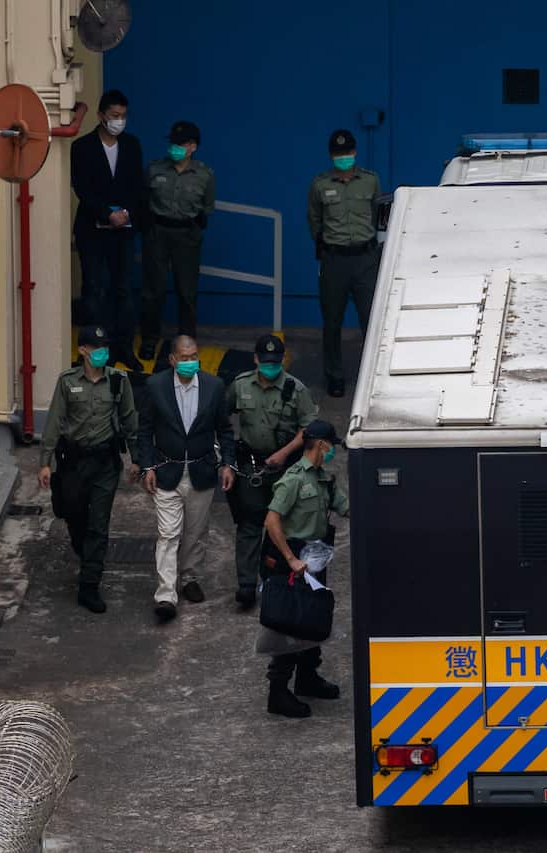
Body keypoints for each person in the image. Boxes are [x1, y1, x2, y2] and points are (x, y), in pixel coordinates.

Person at [38, 325, 140, 613]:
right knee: (73, 515)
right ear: (83, 350)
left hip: (105, 463)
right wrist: (45, 462)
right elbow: (55, 422)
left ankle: (89, 584)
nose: (102, 353)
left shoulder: (119, 381)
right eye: (97, 348)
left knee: (99, 523)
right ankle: (87, 557)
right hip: (73, 462)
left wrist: (137, 459)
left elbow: (130, 420)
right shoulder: (67, 382)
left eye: (105, 348)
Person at [137, 335, 235, 622]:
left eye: (194, 357)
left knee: (196, 531)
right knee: (168, 534)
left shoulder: (214, 387)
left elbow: (225, 430)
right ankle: (166, 594)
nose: (190, 362)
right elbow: (145, 431)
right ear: (172, 360)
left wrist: (227, 464)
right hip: (166, 471)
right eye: (184, 357)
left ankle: (190, 577)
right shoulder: (155, 386)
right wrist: (147, 467)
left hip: (201, 471)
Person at [261, 419, 349, 718]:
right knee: (290, 623)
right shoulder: (294, 479)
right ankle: (278, 692)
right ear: (321, 445)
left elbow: (346, 508)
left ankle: (308, 678)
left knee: (313, 618)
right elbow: (272, 521)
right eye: (331, 445)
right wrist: (290, 559)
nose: (333, 450)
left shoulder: (324, 479)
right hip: (293, 563)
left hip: (315, 561)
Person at [225, 334, 318, 610]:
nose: (270, 367)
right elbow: (221, 416)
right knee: (250, 523)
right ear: (256, 359)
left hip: (284, 468)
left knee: (282, 525)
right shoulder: (241, 385)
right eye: (266, 362)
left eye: (276, 363)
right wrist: (226, 457)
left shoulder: (296, 390)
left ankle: (275, 579)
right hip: (251, 466)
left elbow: (309, 428)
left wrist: (285, 452)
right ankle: (246, 584)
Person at [70, 90, 145, 371]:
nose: (119, 121)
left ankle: (123, 347)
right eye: (114, 115)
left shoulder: (132, 145)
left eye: (123, 116)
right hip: (92, 231)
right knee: (93, 289)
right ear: (101, 115)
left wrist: (126, 214)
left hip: (123, 231)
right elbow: (82, 188)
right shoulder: (82, 147)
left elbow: (137, 186)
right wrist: (106, 214)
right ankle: (93, 348)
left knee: (123, 290)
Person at [307, 129, 382, 398]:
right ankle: (334, 376)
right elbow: (314, 220)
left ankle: (373, 377)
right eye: (338, 154)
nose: (343, 157)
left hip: (365, 259)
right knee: (332, 321)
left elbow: (377, 215)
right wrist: (326, 247)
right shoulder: (319, 184)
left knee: (371, 320)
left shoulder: (370, 181)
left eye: (347, 152)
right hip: (335, 260)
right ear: (331, 155)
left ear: (355, 152)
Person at [141, 121, 216, 359]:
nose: (175, 147)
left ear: (193, 146)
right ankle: (149, 339)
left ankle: (187, 344)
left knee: (187, 292)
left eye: (181, 143)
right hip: (158, 233)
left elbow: (207, 207)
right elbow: (143, 199)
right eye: (173, 142)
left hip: (187, 235)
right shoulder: (154, 169)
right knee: (154, 290)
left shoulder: (204, 175)